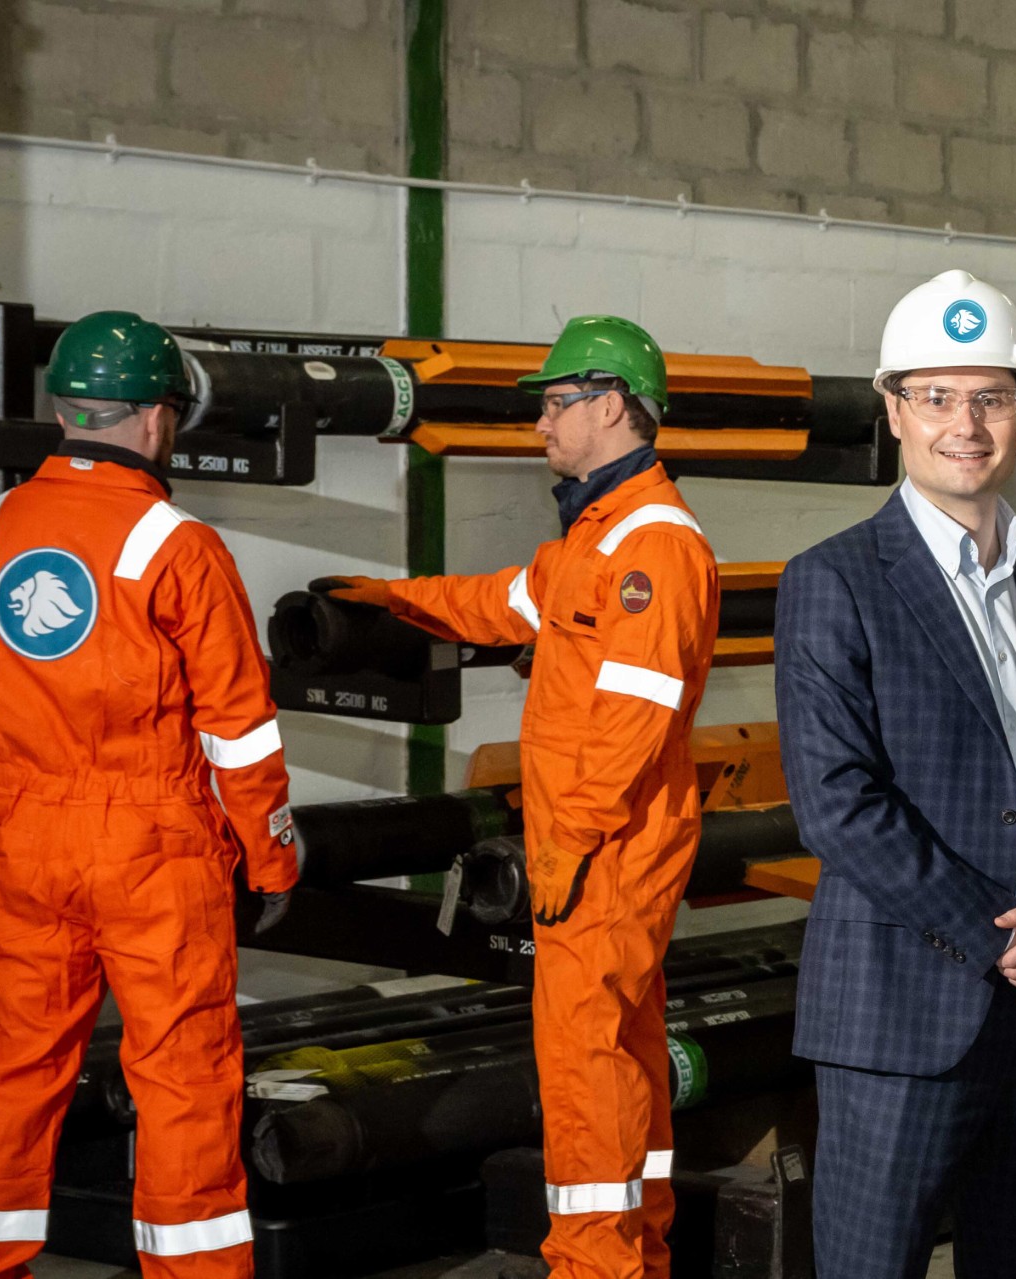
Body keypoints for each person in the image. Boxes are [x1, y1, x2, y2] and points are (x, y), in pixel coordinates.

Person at [310, 314, 718, 1279]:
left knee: (587, 1073)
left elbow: (632, 729)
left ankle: (596, 1266)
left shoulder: (651, 551)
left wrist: (566, 849)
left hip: (605, 855)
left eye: (554, 402)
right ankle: (637, 1256)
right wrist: (390, 598)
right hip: (603, 852)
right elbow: (499, 602)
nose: (540, 423)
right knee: (622, 1062)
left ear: (610, 405)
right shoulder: (594, 538)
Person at [773, 269, 1016, 1279]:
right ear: (894, 409)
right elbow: (837, 804)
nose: (967, 425)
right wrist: (1000, 931)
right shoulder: (836, 582)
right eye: (938, 397)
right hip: (903, 1015)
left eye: (991, 396)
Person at [0, 311, 299, 1279]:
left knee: (13, 1068)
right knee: (181, 1077)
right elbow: (238, 727)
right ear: (153, 420)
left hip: (23, 841)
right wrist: (271, 853)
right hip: (151, 847)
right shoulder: (176, 546)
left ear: (65, 410)